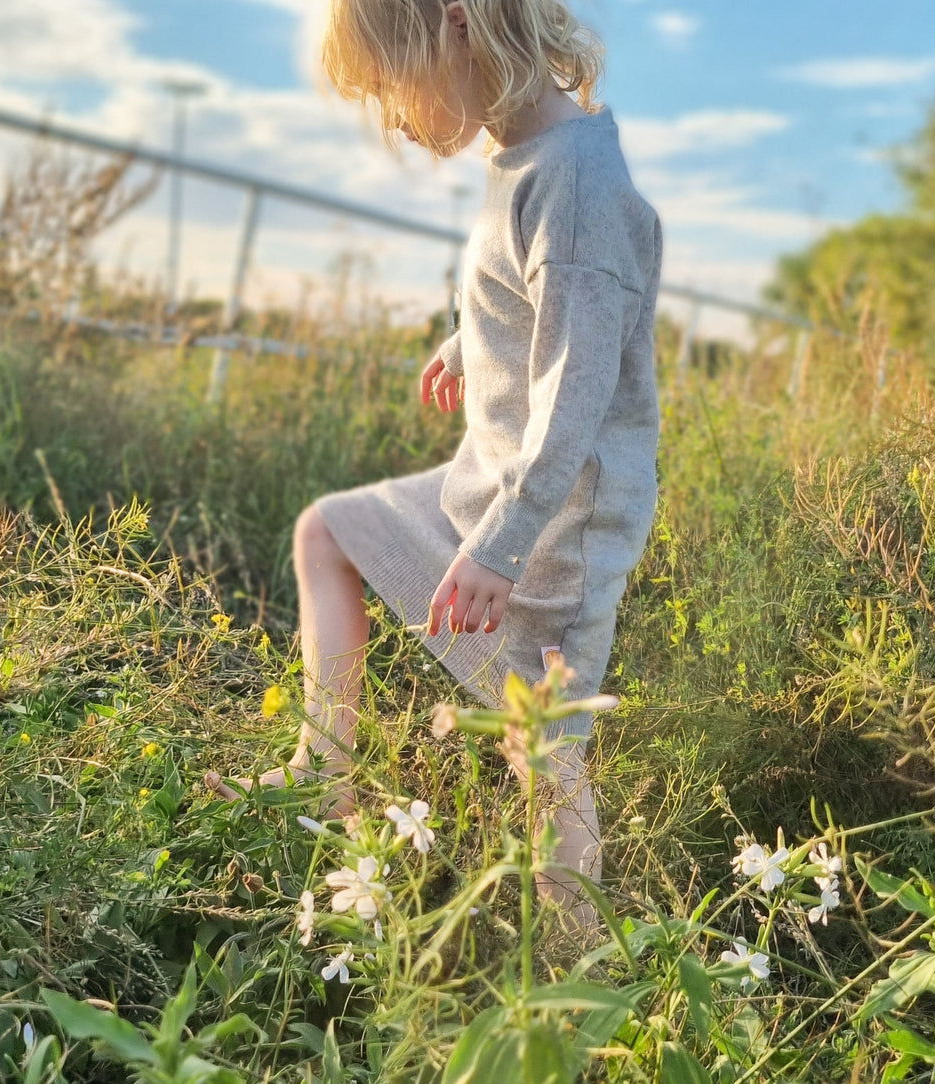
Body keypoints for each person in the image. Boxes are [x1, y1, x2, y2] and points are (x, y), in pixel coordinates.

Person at [206, 0, 662, 918]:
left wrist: (502, 546)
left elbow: (576, 397)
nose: (399, 122)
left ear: (458, 24)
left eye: (395, 87)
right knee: (328, 531)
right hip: (493, 483)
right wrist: (469, 340)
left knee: (541, 741)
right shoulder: (525, 154)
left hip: (554, 519)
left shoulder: (574, 183)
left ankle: (579, 957)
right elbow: (534, 294)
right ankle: (321, 777)